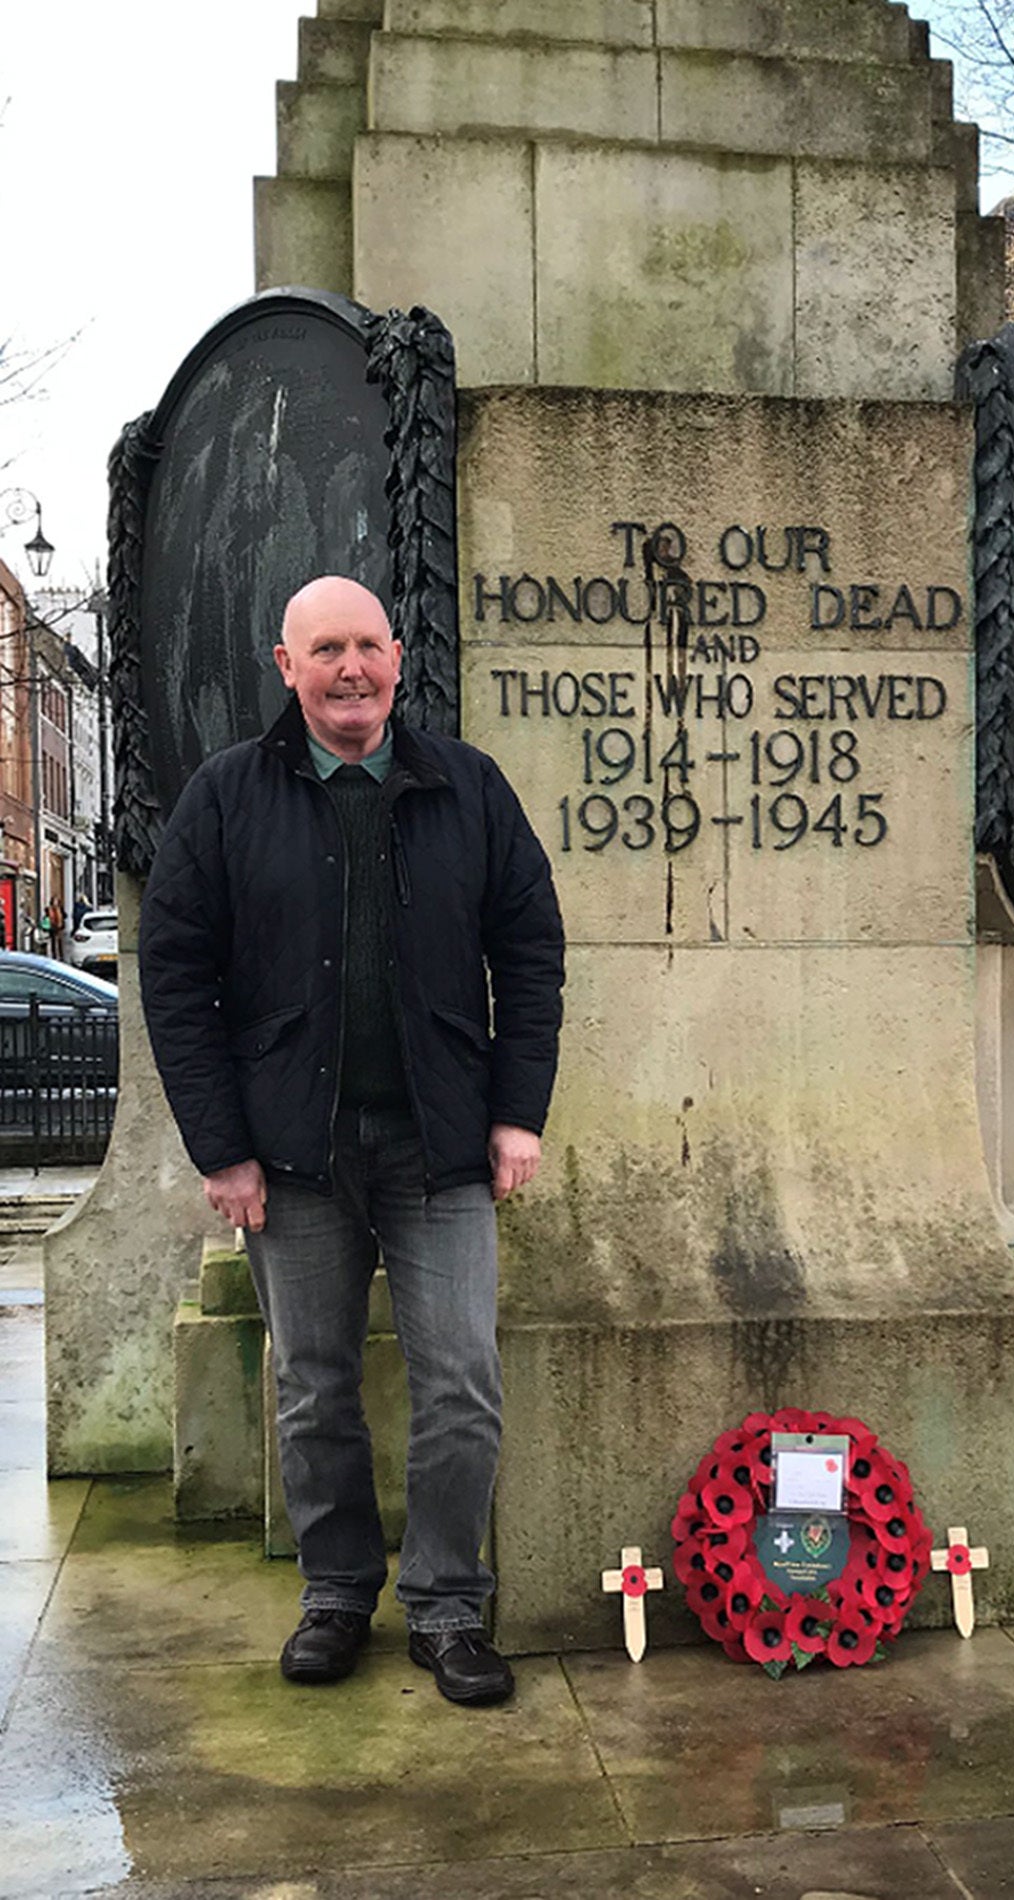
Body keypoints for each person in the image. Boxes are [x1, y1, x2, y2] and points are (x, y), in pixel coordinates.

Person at [139, 575, 565, 1707]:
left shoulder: (468, 786)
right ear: (286, 665)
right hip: (293, 1153)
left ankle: (446, 1605)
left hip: (442, 1148)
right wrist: (220, 1145)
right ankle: (335, 1592)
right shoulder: (228, 796)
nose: (350, 667)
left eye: (368, 644)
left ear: (397, 656)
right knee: (315, 1385)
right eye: (325, 647)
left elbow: (529, 951)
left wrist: (518, 1112)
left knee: (462, 1382)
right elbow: (176, 976)